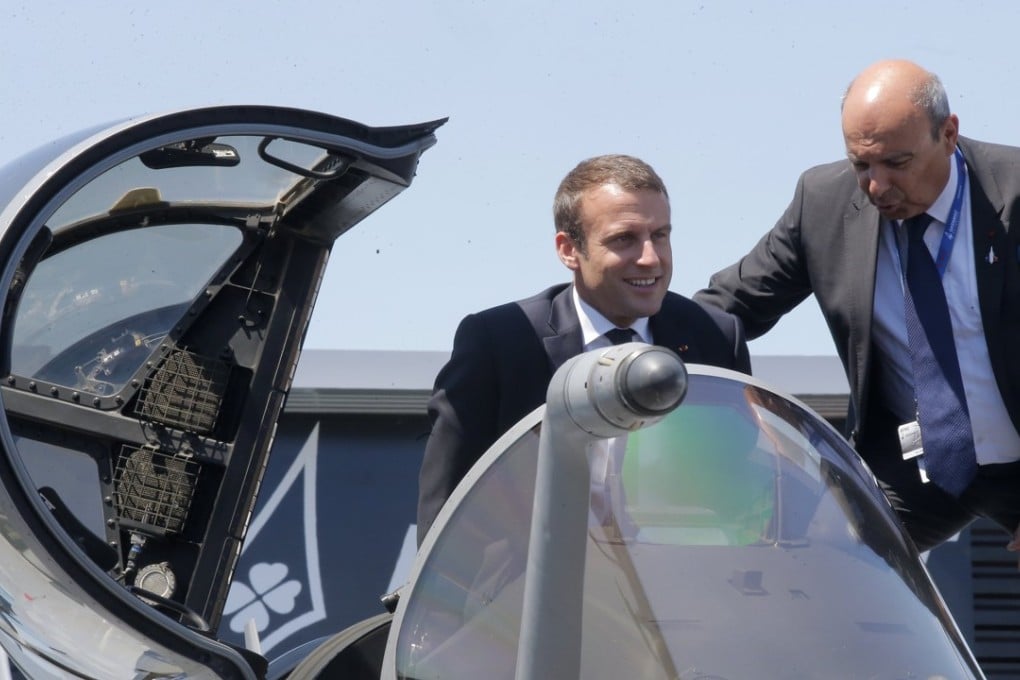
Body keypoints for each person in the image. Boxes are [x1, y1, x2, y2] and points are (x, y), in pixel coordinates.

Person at [694, 59, 1020, 554]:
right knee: (820, 558)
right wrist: (629, 350)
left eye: (897, 163)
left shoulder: (1013, 189)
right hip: (916, 467)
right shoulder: (822, 204)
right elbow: (726, 310)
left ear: (949, 133)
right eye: (861, 164)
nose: (876, 187)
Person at [417, 154, 751, 544]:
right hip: (530, 578)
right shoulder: (500, 342)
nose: (650, 258)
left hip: (674, 573)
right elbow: (448, 504)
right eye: (624, 239)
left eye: (660, 235)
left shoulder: (714, 337)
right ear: (568, 250)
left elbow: (736, 489)